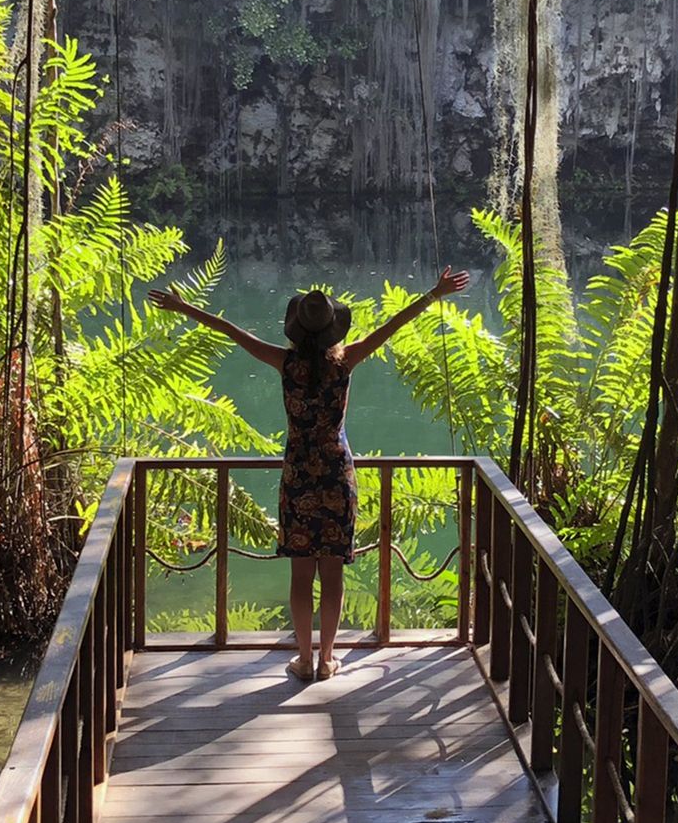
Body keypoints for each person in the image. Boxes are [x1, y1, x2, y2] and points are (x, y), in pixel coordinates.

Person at [149, 267, 470, 681]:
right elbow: (393, 325)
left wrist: (183, 306)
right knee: (332, 572)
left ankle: (303, 658)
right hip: (337, 473)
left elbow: (231, 330)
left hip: (298, 475)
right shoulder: (347, 361)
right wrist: (435, 293)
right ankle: (327, 660)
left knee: (301, 574)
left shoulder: (284, 362)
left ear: (296, 329)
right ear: (334, 330)